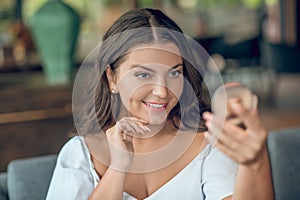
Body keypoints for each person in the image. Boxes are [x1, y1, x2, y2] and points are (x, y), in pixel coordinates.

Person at [46, 8, 274, 200]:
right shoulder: (80, 155)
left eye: (174, 74)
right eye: (143, 75)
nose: (162, 91)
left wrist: (256, 162)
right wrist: (118, 167)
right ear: (111, 78)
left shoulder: (207, 144)